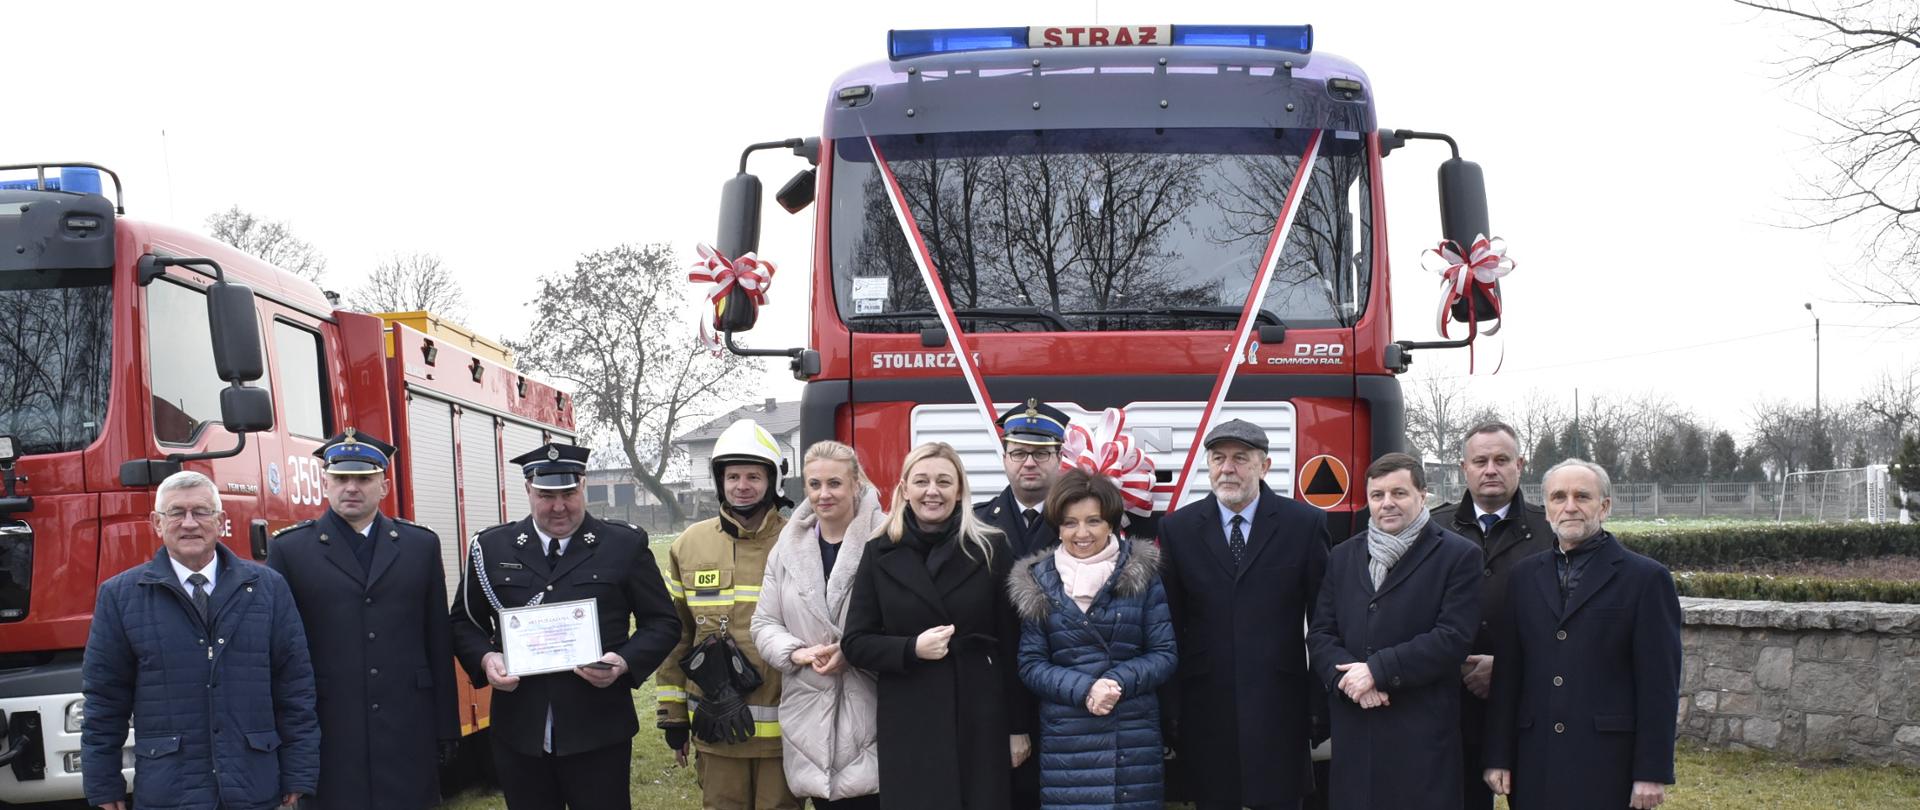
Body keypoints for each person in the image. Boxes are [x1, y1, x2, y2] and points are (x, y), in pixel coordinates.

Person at [450, 443, 680, 810]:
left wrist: (623, 662)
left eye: (569, 493)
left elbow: (664, 622)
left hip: (599, 730)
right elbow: (464, 622)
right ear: (528, 490)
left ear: (583, 485)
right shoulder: (492, 548)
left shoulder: (622, 544)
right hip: (519, 733)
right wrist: (485, 659)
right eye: (546, 495)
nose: (559, 506)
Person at [82, 470, 319, 810]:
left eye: (201, 512)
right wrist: (104, 786)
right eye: (176, 513)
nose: (189, 523)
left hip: (254, 788)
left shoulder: (268, 588)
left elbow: (295, 689)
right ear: (157, 523)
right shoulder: (120, 597)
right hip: (169, 793)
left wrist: (299, 773)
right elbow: (104, 702)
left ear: (220, 520)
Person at [265, 429, 458, 810]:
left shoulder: (420, 546)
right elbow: (279, 655)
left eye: (364, 478)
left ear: (384, 486)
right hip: (330, 734)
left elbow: (437, 640)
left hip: (407, 731)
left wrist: (446, 728)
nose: (351, 487)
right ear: (325, 483)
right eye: (340, 478)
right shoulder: (290, 549)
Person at [1483, 459, 1683, 810]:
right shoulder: (1523, 577)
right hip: (1535, 759)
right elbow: (1508, 676)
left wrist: (1651, 770)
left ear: (1604, 506)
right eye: (1559, 497)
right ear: (1546, 510)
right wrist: (1498, 755)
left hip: (1608, 762)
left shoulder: (1646, 579)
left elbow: (1659, 684)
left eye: (1582, 496)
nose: (1570, 506)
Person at [841, 442, 1031, 810]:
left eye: (944, 481)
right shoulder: (879, 550)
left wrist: (1017, 726)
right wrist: (911, 648)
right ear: (905, 489)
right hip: (911, 714)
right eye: (922, 481)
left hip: (980, 712)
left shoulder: (991, 547)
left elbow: (1013, 643)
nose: (932, 491)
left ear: (959, 489)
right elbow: (855, 642)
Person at [1157, 418, 1330, 810]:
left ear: (1264, 466)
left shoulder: (1303, 524)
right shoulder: (1178, 529)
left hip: (1280, 707)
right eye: (1218, 458)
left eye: (1240, 458)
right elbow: (1168, 627)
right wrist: (1171, 708)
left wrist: (1320, 705)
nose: (1227, 468)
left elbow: (1324, 621)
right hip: (1206, 708)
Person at [1306, 453, 1482, 810]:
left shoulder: (1459, 556)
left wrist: (1376, 671)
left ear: (1423, 494)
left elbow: (1452, 637)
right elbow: (1322, 633)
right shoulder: (1342, 556)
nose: (1387, 503)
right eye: (1377, 495)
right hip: (1356, 729)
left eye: (1399, 493)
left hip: (1420, 734)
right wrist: (1349, 682)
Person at [1006, 469, 1177, 810]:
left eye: (1093, 521)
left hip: (1131, 742)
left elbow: (1164, 653)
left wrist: (1116, 681)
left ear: (1111, 523)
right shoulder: (1038, 580)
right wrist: (1085, 690)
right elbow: (1031, 663)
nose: (1081, 533)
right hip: (1067, 745)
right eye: (1070, 523)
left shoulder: (1141, 573)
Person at [656, 419, 799, 810]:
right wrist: (672, 714)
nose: (742, 485)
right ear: (719, 481)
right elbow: (676, 635)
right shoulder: (689, 545)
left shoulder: (800, 541)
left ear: (773, 480)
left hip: (786, 732)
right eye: (733, 475)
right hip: (716, 726)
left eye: (754, 475)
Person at [752, 440, 887, 809]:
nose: (823, 494)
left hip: (871, 714)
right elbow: (763, 623)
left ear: (856, 483)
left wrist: (853, 651)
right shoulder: (786, 548)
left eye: (834, 483)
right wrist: (797, 652)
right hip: (809, 718)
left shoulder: (888, 540)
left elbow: (903, 624)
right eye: (814, 485)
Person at [1435, 422, 1553, 810]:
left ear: (1520, 464)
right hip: (1452, 704)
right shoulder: (1433, 528)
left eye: (1501, 460)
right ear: (1463, 467)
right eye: (1480, 460)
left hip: (1530, 705)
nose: (1491, 469)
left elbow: (1569, 620)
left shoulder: (1550, 528)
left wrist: (1503, 668)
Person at [971, 398, 1070, 809]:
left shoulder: (1081, 521)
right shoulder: (976, 524)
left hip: (1063, 689)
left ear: (1059, 457)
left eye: (1042, 452)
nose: (1029, 462)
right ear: (1006, 457)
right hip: (996, 692)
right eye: (1018, 452)